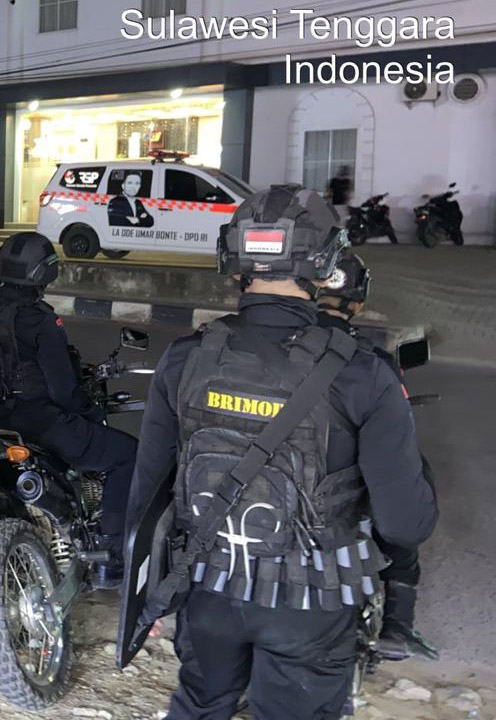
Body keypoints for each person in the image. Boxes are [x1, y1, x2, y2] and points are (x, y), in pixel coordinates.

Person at [127, 184, 436, 719]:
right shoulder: (364, 372)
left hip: (207, 589)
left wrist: (147, 594)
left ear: (235, 257)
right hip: (311, 608)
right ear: (325, 261)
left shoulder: (186, 358)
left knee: (199, 704)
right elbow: (405, 526)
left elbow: (149, 490)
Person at [0, 232, 137, 621]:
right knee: (126, 456)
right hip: (40, 423)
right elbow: (66, 392)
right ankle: (109, 558)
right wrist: (88, 410)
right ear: (45, 272)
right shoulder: (39, 319)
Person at [317, 253, 438, 661]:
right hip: (342, 480)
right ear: (358, 303)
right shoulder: (372, 363)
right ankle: (398, 627)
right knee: (407, 491)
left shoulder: (273, 346)